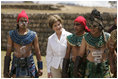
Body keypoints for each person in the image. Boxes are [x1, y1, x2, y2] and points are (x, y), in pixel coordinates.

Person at [4, 10, 43, 78]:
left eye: (25, 21)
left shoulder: (33, 35)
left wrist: (40, 67)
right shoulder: (12, 35)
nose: (24, 23)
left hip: (29, 64)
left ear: (28, 22)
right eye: (21, 21)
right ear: (18, 22)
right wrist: (6, 70)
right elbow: (8, 53)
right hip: (16, 64)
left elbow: (37, 52)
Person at [73, 9, 111, 78]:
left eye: (94, 26)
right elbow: (80, 55)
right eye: (90, 26)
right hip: (90, 71)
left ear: (100, 26)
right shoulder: (86, 38)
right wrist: (76, 69)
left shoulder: (107, 37)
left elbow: (112, 53)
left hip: (104, 71)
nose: (92, 29)